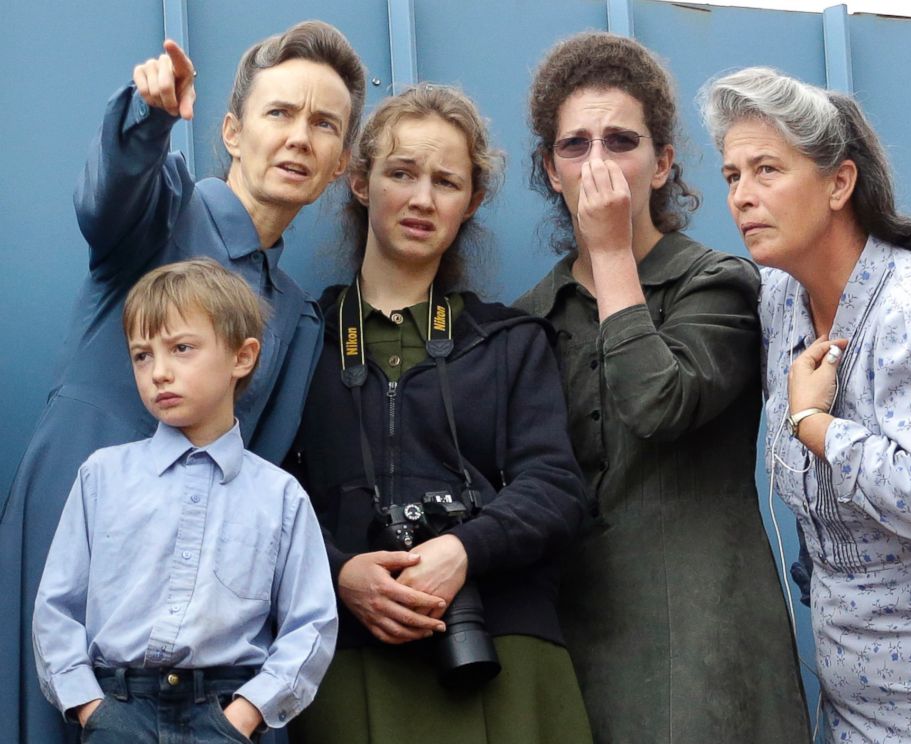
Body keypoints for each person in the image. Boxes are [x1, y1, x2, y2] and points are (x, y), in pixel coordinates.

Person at [1, 21, 364, 744]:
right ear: (231, 131)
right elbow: (108, 194)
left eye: (324, 124)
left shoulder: (297, 316)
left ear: (338, 166)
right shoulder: (167, 206)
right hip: (76, 522)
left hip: (202, 623)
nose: (299, 136)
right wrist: (148, 118)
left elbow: (258, 476)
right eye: (279, 112)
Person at [516, 33, 809, 743]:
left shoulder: (718, 284)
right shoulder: (529, 320)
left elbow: (658, 401)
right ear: (550, 170)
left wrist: (613, 250)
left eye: (621, 141)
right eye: (575, 146)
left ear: (662, 163)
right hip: (578, 639)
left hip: (708, 641)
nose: (597, 165)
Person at [284, 83, 593, 744]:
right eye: (402, 173)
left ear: (472, 202)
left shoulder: (509, 340)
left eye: (446, 182)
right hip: (349, 657)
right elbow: (264, 493)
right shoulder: (300, 339)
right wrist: (338, 571)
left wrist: (462, 550)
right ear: (362, 182)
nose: (423, 199)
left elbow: (556, 489)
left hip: (502, 651)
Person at [699, 66, 911, 742]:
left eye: (767, 169)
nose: (742, 196)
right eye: (731, 176)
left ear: (839, 182)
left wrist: (815, 426)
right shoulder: (780, 295)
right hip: (849, 701)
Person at [33, 258, 337, 743]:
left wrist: (245, 716)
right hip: (119, 710)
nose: (159, 373)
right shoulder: (102, 477)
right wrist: (93, 709)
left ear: (242, 357)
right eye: (142, 355)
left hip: (226, 712)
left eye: (182, 349)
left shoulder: (279, 495)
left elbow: (311, 622)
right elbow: (56, 607)